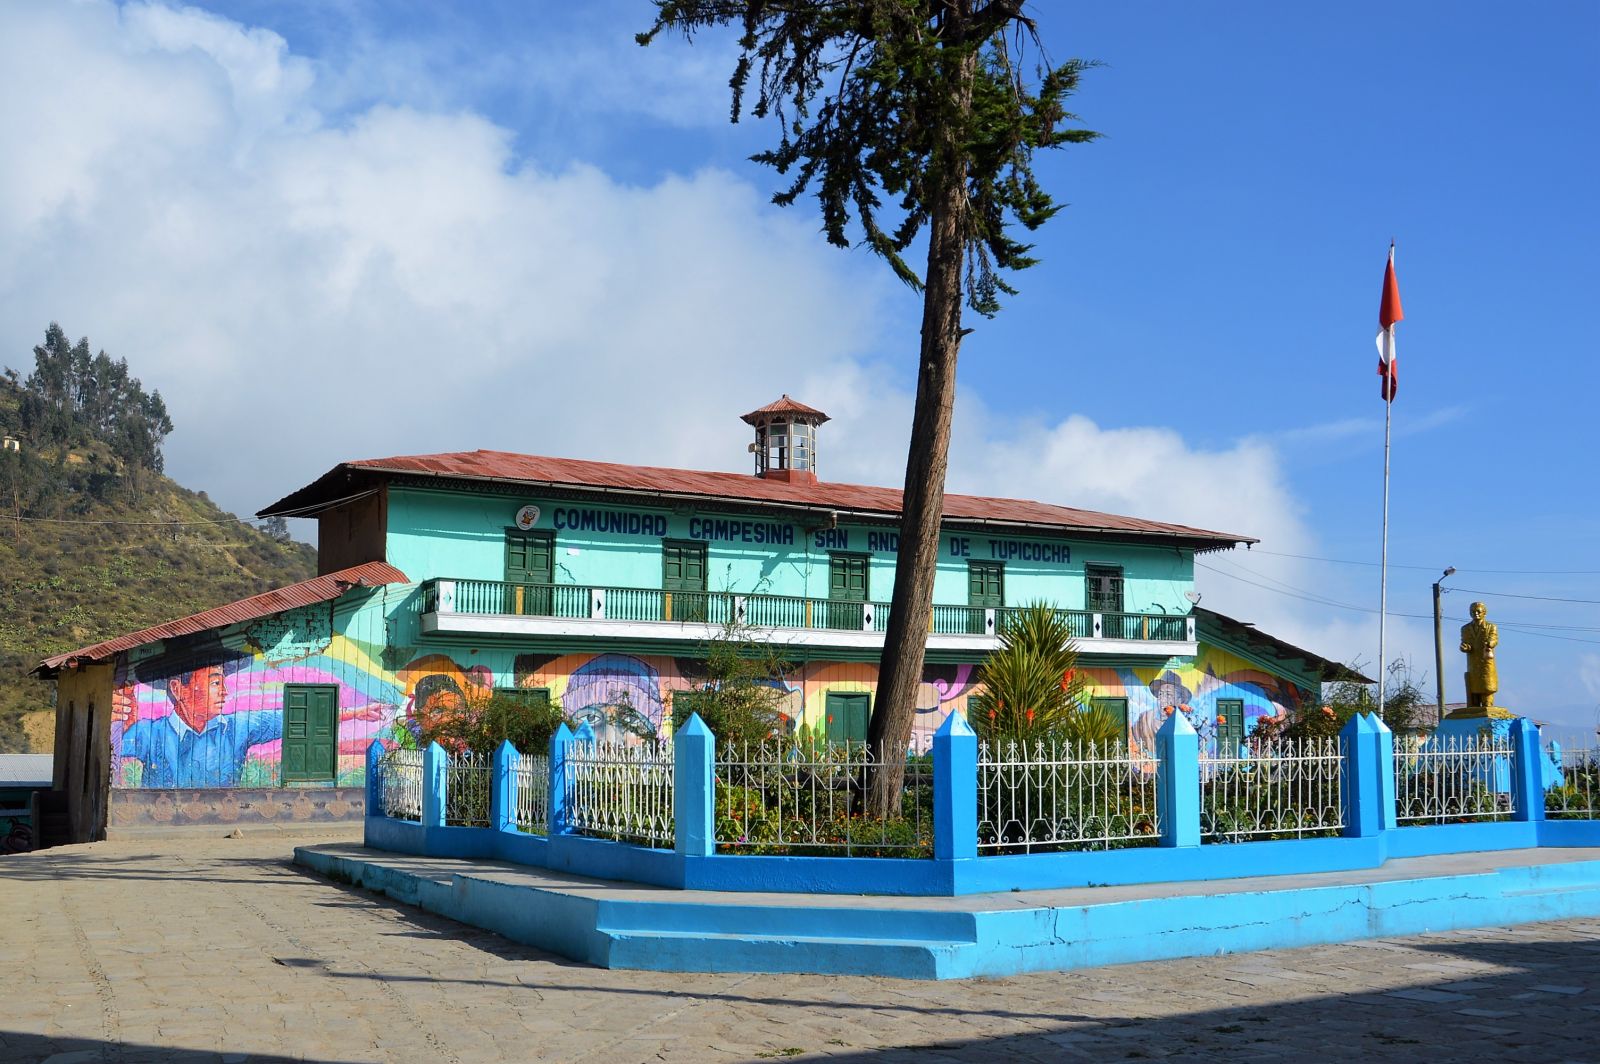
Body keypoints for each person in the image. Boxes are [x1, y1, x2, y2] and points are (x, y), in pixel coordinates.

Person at [114, 662, 284, 787]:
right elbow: (105, 751)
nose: (225, 691)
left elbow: (291, 718)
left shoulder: (238, 728)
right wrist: (115, 721)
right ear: (178, 689)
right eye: (215, 683)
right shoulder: (149, 733)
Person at [1459, 601, 1500, 709]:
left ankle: (1488, 705)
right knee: (1473, 690)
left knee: (1487, 689)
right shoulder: (1465, 628)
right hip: (1473, 663)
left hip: (1486, 662)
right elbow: (1464, 642)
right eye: (1472, 612)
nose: (1475, 614)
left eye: (1478, 611)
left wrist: (1490, 643)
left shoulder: (1491, 627)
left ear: (1484, 613)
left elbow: (1494, 639)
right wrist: (1465, 647)